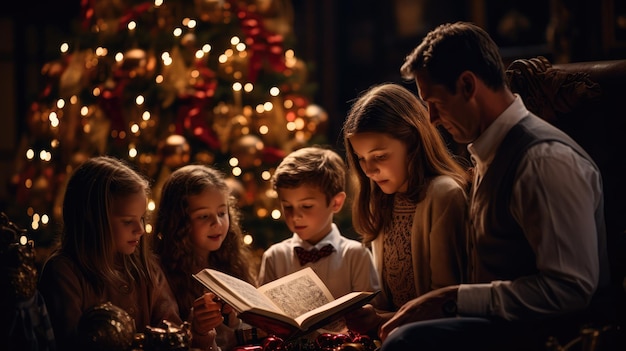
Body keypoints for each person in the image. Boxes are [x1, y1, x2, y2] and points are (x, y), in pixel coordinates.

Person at [379, 21, 614, 351]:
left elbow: (570, 290)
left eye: (435, 102)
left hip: (549, 335)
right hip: (500, 326)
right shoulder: (488, 152)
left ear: (467, 86)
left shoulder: (542, 160)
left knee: (408, 342)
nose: (431, 119)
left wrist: (452, 299)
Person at [37, 156, 220, 350]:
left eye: (141, 218)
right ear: (92, 220)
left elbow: (173, 333)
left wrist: (199, 330)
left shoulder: (147, 270)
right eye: (127, 221)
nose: (140, 229)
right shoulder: (64, 273)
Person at [341, 83, 470, 338]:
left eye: (379, 156)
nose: (368, 170)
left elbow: (444, 305)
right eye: (361, 158)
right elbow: (388, 299)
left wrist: (378, 319)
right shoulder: (381, 201)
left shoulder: (443, 195)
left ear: (413, 143)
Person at [153, 163, 257, 350]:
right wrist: (198, 329)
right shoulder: (161, 273)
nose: (217, 223)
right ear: (178, 222)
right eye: (203, 216)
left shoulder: (233, 261)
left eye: (222, 213)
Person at [258, 146, 379, 300]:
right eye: (287, 207)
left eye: (307, 206)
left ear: (336, 203)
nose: (295, 216)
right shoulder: (274, 258)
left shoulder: (355, 256)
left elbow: (372, 313)